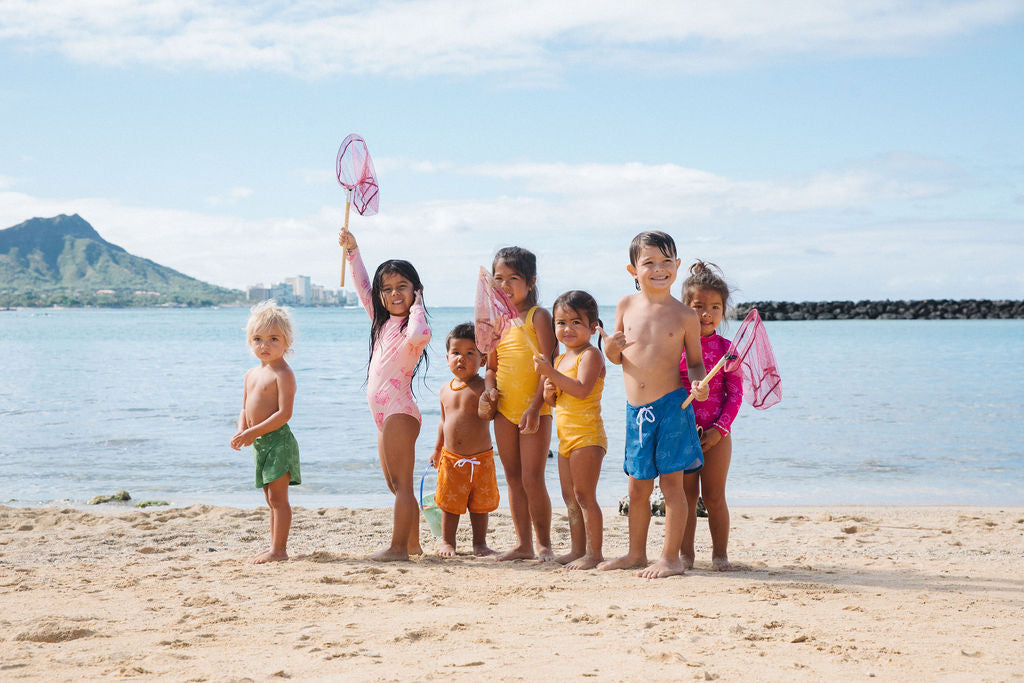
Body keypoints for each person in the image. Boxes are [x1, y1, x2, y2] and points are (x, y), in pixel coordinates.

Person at [597, 231, 709, 579]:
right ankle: (635, 553)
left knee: (672, 486)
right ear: (633, 269)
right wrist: (612, 347)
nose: (658, 269)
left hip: (673, 407)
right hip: (636, 411)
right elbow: (614, 357)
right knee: (637, 487)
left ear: (676, 266)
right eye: (649, 263)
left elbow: (694, 362)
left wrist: (698, 382)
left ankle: (670, 557)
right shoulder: (625, 306)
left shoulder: (685, 315)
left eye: (665, 262)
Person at [338, 227, 431, 562]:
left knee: (403, 484)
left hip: (400, 411)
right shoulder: (380, 323)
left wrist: (418, 304)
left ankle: (397, 549)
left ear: (415, 290)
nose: (394, 294)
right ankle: (413, 544)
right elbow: (364, 287)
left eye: (402, 288)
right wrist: (353, 252)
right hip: (382, 418)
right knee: (395, 485)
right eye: (388, 289)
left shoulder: (414, 328)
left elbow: (421, 332)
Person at [479, 247, 556, 561]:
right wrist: (488, 391)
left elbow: (548, 364)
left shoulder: (539, 316)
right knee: (512, 477)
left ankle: (544, 544)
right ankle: (523, 544)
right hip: (504, 409)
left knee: (532, 478)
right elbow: (492, 368)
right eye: (499, 278)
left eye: (513, 278)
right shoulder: (498, 321)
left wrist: (536, 407)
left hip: (534, 408)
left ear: (531, 280)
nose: (505, 284)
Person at [534, 290, 607, 570]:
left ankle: (594, 553)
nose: (567, 329)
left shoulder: (591, 355)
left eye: (576, 322)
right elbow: (554, 399)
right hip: (565, 438)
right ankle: (578, 549)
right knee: (569, 496)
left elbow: (581, 389)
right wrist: (549, 390)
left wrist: (550, 375)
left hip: (588, 436)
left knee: (585, 495)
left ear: (592, 327)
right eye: (561, 322)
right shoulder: (560, 360)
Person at [679, 261, 742, 571]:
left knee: (714, 496)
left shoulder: (728, 349)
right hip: (683, 433)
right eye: (698, 306)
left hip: (717, 433)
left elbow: (736, 395)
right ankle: (686, 555)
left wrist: (720, 428)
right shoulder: (676, 347)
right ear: (684, 308)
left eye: (715, 307)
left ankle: (720, 553)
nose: (706, 313)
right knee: (686, 498)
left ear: (724, 310)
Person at [230, 300, 300, 564]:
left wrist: (253, 431)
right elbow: (244, 407)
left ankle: (279, 550)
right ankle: (273, 546)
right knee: (270, 498)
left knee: (279, 499)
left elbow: (284, 414)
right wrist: (242, 430)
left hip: (279, 441)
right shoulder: (251, 374)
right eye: (258, 339)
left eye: (273, 339)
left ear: (286, 342)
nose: (265, 345)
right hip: (259, 442)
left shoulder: (283, 374)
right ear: (250, 342)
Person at [429, 323, 499, 557]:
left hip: (481, 460)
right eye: (456, 353)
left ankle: (480, 542)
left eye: (470, 353)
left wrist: (491, 398)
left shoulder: (482, 386)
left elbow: (489, 413)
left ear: (482, 360)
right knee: (449, 504)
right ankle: (448, 542)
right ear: (447, 357)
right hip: (452, 459)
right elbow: (443, 422)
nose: (462, 358)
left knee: (479, 506)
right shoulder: (444, 390)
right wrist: (437, 449)